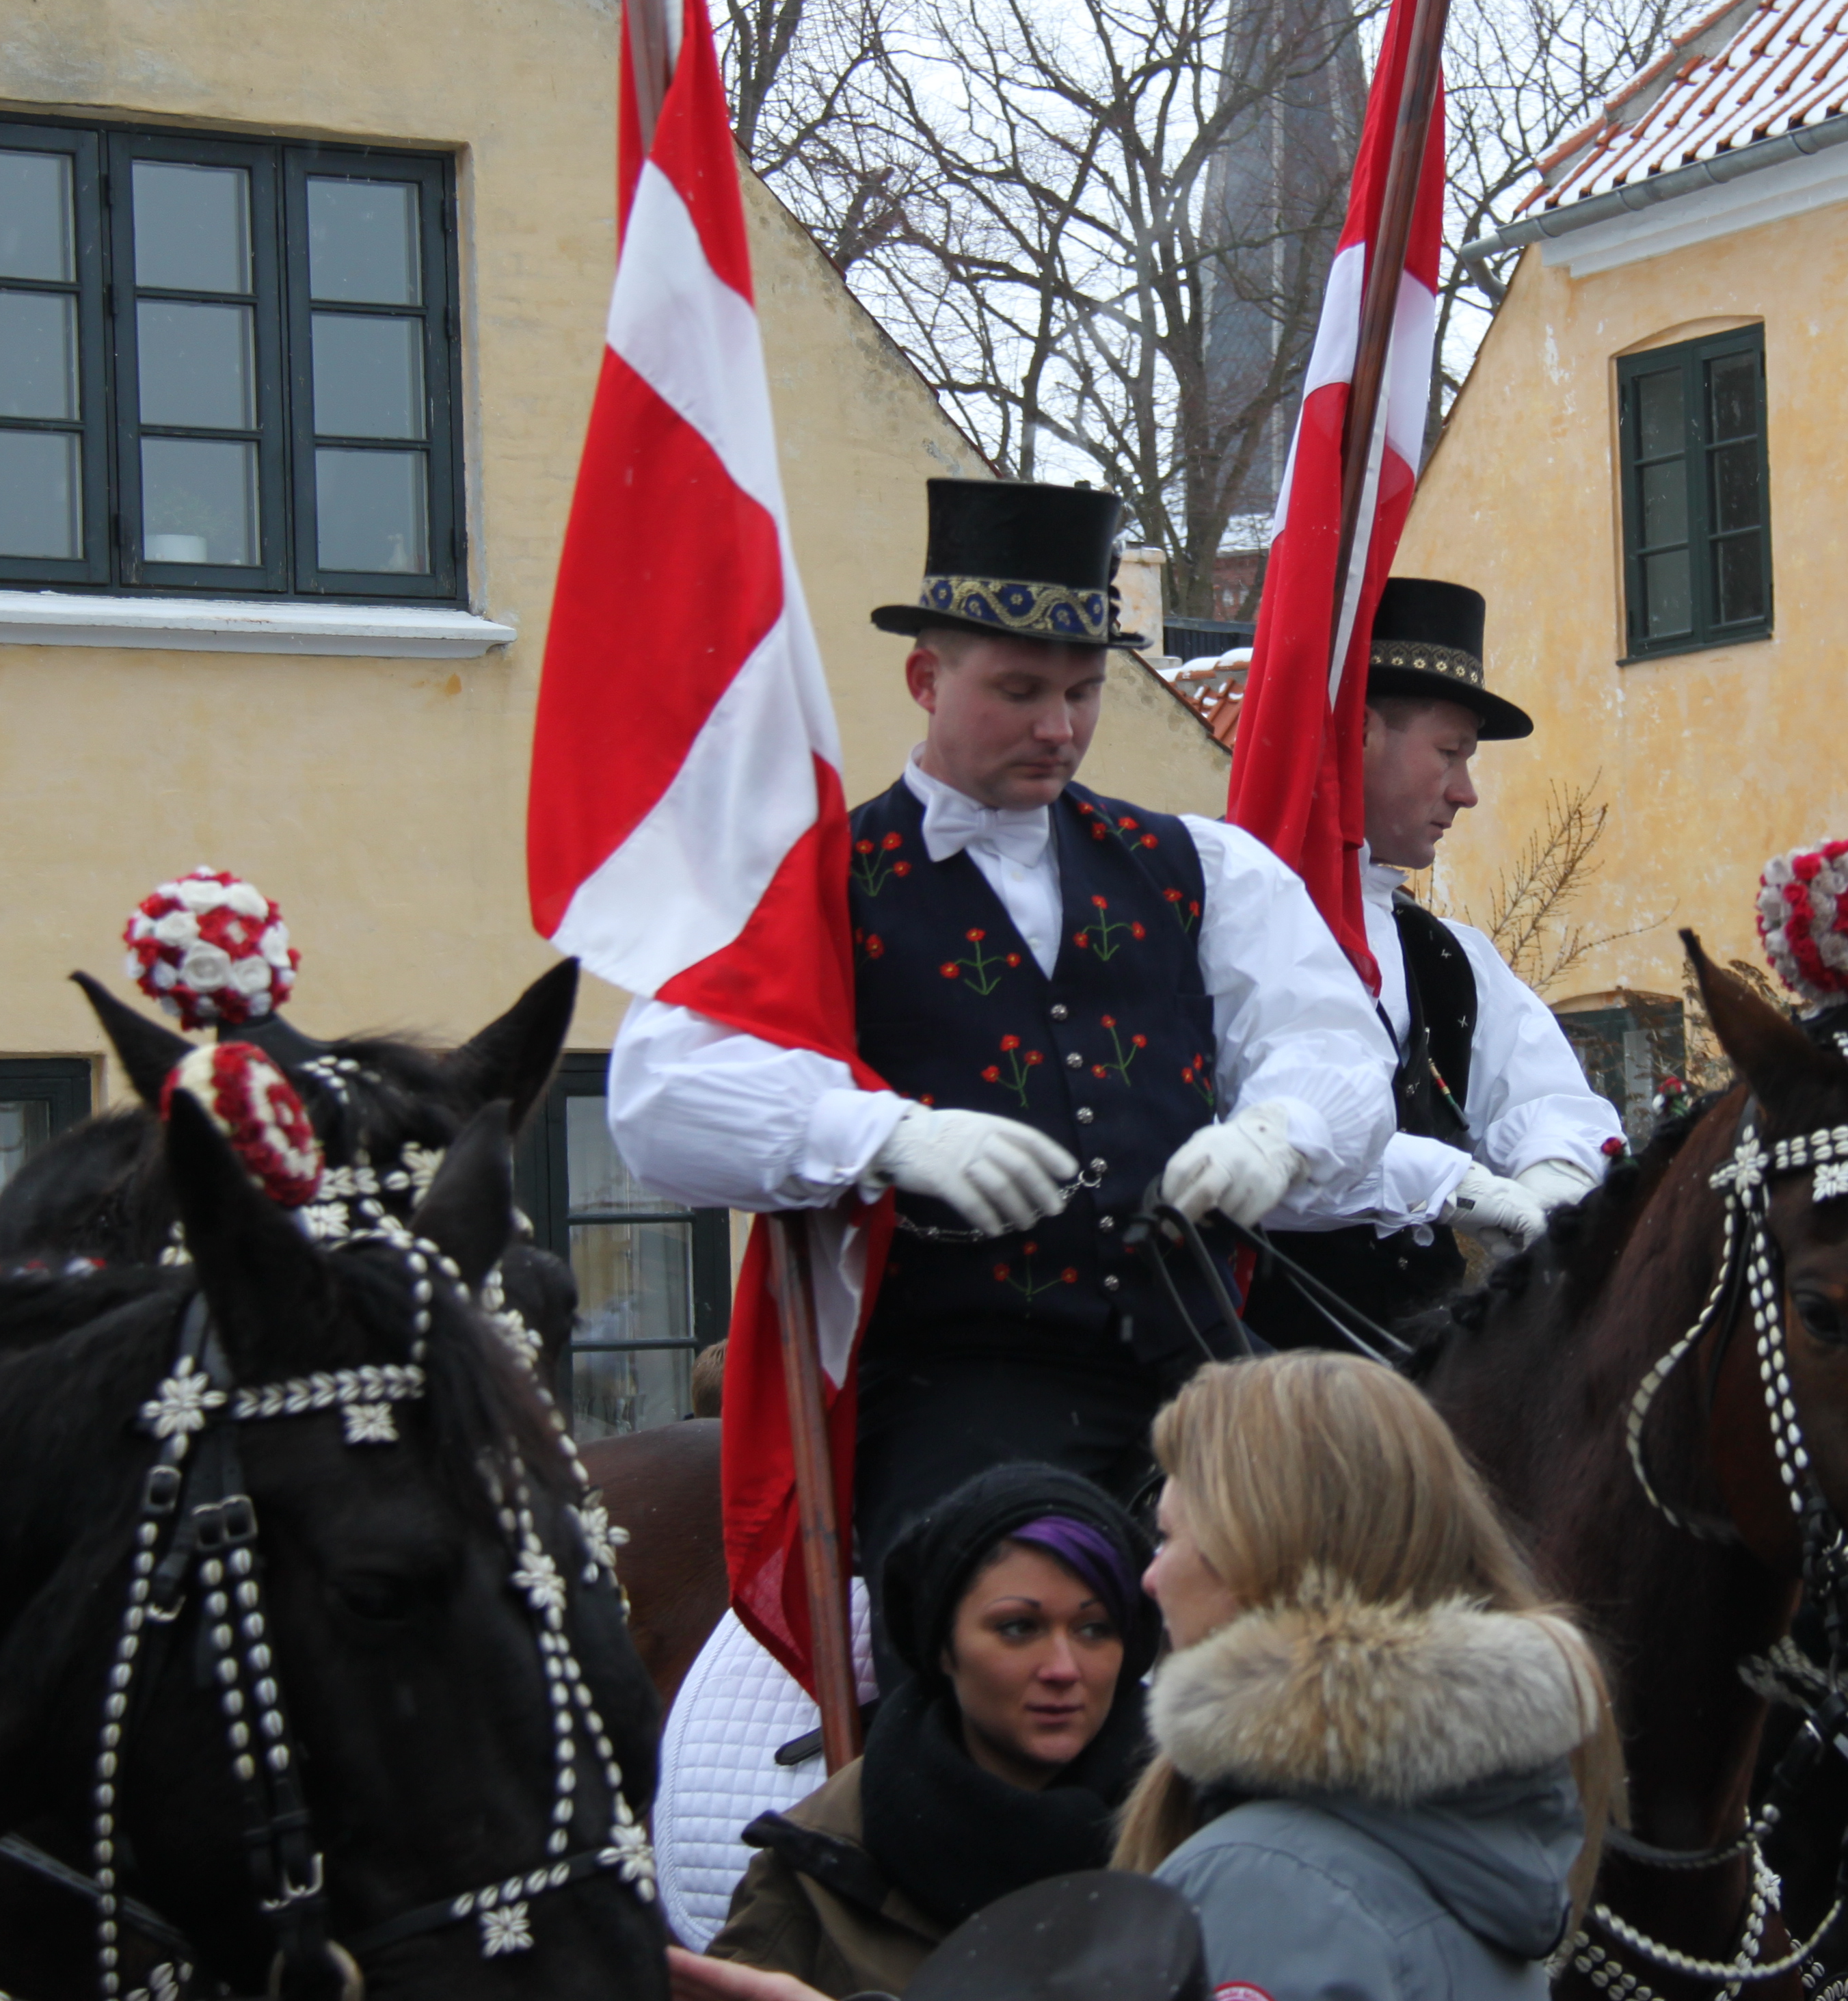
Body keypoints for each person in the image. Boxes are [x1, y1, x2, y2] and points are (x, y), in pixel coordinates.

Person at [608, 481, 1393, 1659]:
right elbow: (660, 1094)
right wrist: (887, 1135)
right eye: (1019, 692)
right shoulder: (812, 880)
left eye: (1081, 694)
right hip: (960, 1378)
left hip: (1199, 1358)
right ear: (926, 680)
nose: (1059, 730)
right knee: (1016, 1618)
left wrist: (1279, 1130)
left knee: (1382, 1566)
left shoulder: (1199, 866)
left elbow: (1334, 1045)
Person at [1113, 1353, 1620, 2001]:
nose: (1151, 1577)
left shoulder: (1266, 1882)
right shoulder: (1476, 1857)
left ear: (1256, 1556)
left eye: (1167, 1538)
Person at [1252, 579, 1622, 1351]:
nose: (1467, 792)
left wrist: (1551, 1182)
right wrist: (1452, 1184)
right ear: (1352, 734)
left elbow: (1549, 1100)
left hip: (1430, 1363)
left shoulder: (1447, 957)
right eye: (1449, 753)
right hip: (1254, 1369)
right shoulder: (1227, 915)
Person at [684, 1465, 1160, 1999]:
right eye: (1018, 1628)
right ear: (943, 1646)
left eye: (1094, 1629)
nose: (1062, 1667)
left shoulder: (1196, 1829)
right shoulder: (823, 1854)